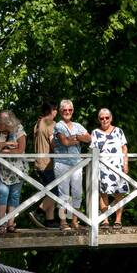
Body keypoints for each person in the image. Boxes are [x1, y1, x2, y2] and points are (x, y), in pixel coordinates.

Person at [52, 99, 90, 232]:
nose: (67, 112)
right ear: (61, 112)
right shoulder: (58, 125)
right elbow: (65, 142)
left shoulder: (78, 125)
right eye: (64, 110)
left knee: (77, 192)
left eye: (70, 110)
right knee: (64, 194)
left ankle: (74, 221)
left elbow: (89, 138)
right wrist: (77, 138)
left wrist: (77, 138)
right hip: (62, 163)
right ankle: (63, 221)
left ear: (73, 111)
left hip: (76, 163)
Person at [0, 110, 26, 233]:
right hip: (2, 168)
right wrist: (5, 144)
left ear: (8, 123)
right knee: (2, 194)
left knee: (14, 195)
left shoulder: (18, 128)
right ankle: (1, 223)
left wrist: (3, 151)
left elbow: (20, 149)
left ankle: (10, 223)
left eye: (0, 124)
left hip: (17, 167)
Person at [91, 108, 129, 230]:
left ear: (111, 118)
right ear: (99, 119)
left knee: (118, 193)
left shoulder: (118, 131)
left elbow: (124, 148)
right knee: (103, 194)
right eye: (102, 118)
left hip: (117, 167)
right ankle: (105, 220)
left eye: (107, 117)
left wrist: (125, 164)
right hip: (102, 167)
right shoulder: (95, 132)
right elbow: (93, 151)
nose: (104, 120)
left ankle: (118, 220)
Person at [32, 103, 60, 229]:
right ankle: (39, 212)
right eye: (56, 110)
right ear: (52, 111)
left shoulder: (37, 124)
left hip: (38, 163)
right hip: (48, 163)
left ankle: (50, 220)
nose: (57, 113)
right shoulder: (50, 123)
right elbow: (53, 144)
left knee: (50, 191)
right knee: (55, 192)